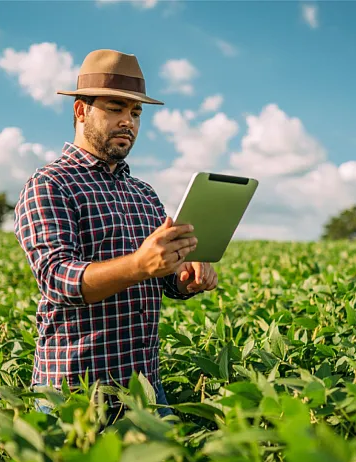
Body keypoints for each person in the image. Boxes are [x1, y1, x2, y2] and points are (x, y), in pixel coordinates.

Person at [14, 49, 218, 424]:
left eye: (136, 113)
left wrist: (183, 278)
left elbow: (163, 279)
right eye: (115, 108)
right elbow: (59, 280)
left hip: (144, 389)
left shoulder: (143, 193)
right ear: (81, 111)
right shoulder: (50, 184)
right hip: (73, 394)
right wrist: (139, 266)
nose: (128, 121)